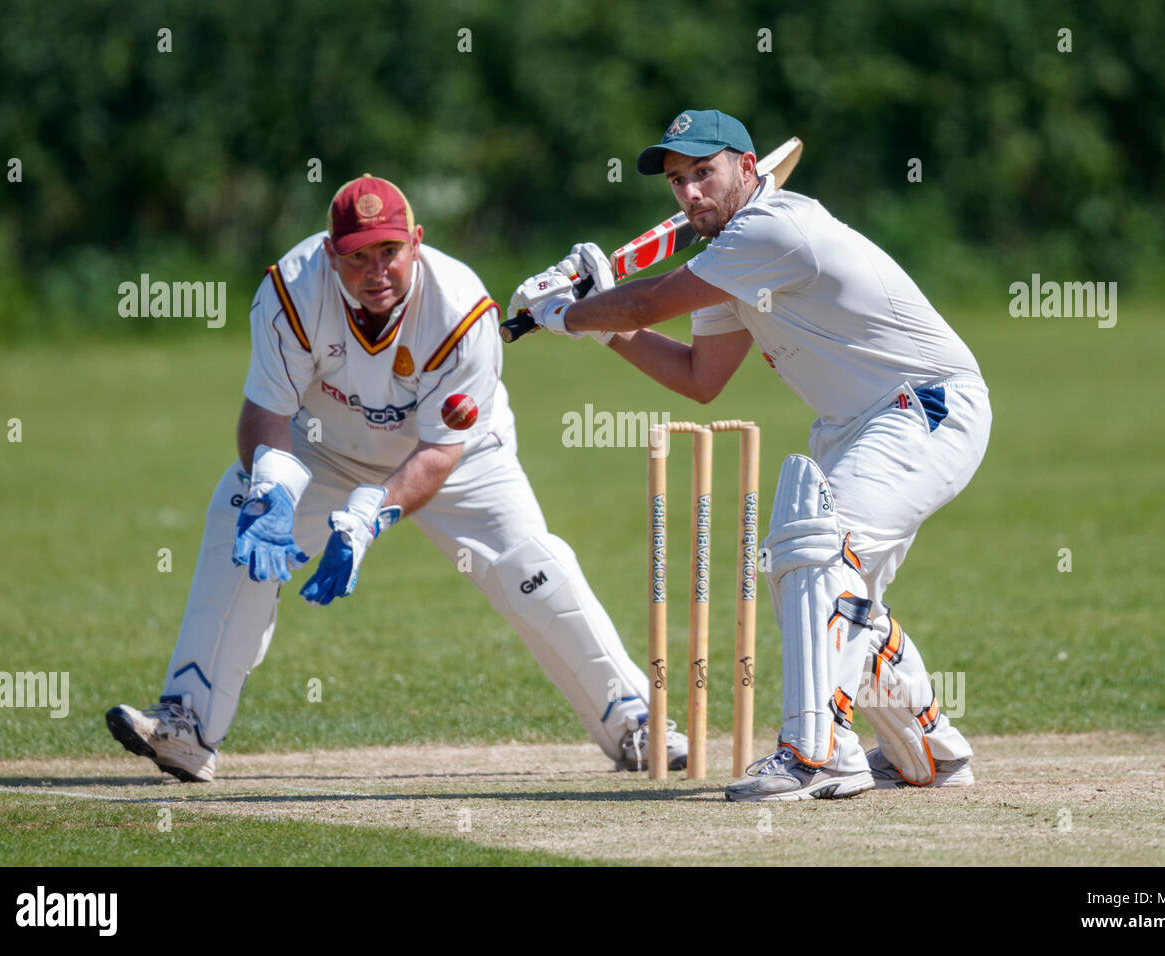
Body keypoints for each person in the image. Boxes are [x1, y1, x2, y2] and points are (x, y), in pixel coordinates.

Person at [106, 174, 687, 781]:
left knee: (529, 565)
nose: (376, 271)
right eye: (358, 257)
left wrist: (366, 519)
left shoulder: (463, 312)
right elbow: (265, 410)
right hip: (324, 447)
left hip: (461, 456)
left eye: (389, 252)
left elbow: (438, 454)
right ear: (332, 254)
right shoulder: (291, 291)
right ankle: (188, 726)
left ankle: (635, 722)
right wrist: (271, 489)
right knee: (238, 520)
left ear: (417, 242)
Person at [509, 110, 991, 802]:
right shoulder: (730, 260)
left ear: (747, 166)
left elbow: (650, 298)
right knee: (836, 590)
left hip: (923, 407)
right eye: (678, 181)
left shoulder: (771, 228)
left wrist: (569, 312)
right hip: (856, 425)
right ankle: (928, 750)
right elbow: (698, 379)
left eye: (704, 173)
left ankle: (815, 756)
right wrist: (597, 326)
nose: (690, 194)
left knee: (814, 552)